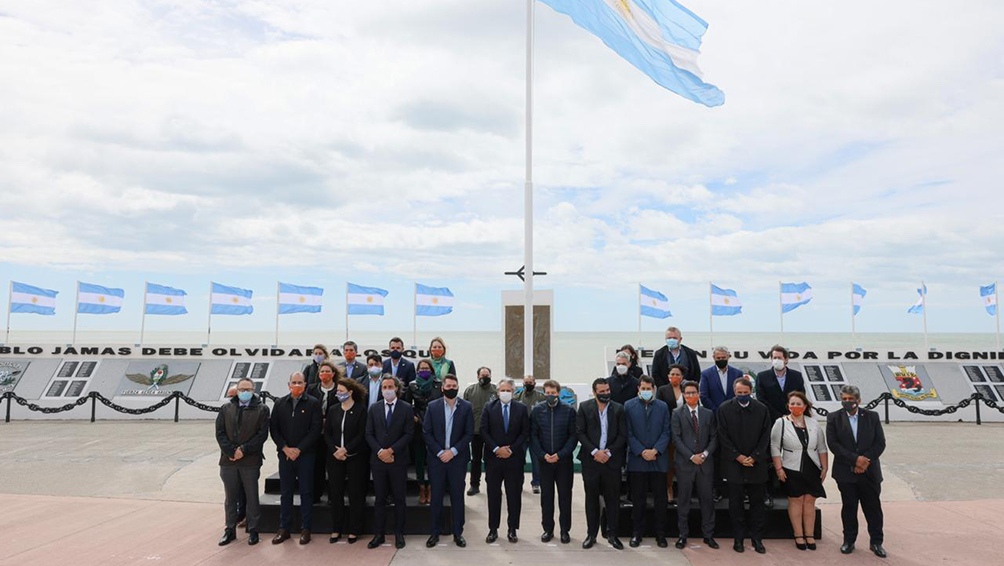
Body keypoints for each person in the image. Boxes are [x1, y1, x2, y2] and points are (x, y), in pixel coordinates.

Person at [826, 385, 887, 558]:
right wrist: (855, 460)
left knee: (873, 508)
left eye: (850, 399)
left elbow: (880, 443)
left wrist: (865, 461)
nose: (847, 402)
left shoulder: (872, 417)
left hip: (869, 472)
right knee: (849, 508)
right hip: (846, 472)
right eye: (844, 399)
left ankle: (876, 542)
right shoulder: (834, 418)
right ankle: (849, 541)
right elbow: (833, 444)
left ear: (858, 400)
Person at [716, 377, 771, 554]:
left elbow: (766, 436)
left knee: (757, 504)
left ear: (751, 392)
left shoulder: (761, 409)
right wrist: (738, 457)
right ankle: (738, 538)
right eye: (739, 393)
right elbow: (722, 436)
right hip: (734, 464)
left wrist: (755, 457)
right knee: (735, 504)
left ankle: (757, 538)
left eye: (746, 393)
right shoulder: (724, 409)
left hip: (757, 464)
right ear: (734, 392)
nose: (742, 396)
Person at [269, 372, 322, 545]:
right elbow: (274, 429)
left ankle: (306, 529)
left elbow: (315, 430)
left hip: (305, 455)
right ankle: (284, 528)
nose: (297, 385)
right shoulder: (279, 403)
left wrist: (299, 449)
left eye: (300, 382)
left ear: (305, 385)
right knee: (286, 493)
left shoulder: (313, 404)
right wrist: (285, 448)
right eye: (294, 382)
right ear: (288, 384)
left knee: (306, 492)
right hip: (285, 456)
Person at [216, 377, 270, 546]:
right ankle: (229, 529)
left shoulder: (262, 409)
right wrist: (231, 451)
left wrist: (243, 450)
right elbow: (220, 433)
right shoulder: (226, 408)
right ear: (237, 391)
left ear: (253, 390)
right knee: (230, 497)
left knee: (251, 496)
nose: (244, 393)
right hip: (228, 460)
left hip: (250, 461)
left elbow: (262, 435)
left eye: (248, 389)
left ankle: (254, 530)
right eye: (242, 389)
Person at [770, 391, 828, 551]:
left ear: (805, 406)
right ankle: (798, 534)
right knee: (796, 500)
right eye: (792, 403)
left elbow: (822, 446)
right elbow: (774, 446)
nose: (795, 406)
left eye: (798, 404)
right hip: (791, 467)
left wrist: (825, 467)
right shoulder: (781, 423)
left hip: (812, 467)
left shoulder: (813, 423)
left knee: (809, 501)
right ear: (788, 406)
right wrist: (779, 467)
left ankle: (809, 534)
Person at [423, 373, 475, 548]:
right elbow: (427, 433)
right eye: (448, 386)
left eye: (454, 386)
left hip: (457, 459)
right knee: (436, 497)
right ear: (442, 387)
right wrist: (440, 452)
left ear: (458, 387)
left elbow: (469, 434)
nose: (451, 389)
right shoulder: (433, 406)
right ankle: (434, 532)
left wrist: (452, 451)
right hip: (437, 459)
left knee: (457, 497)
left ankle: (458, 532)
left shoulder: (466, 407)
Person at [365, 375, 415, 549]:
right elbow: (369, 433)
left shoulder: (407, 408)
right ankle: (379, 534)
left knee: (399, 498)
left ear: (396, 388)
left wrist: (391, 451)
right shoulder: (374, 408)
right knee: (379, 499)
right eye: (384, 387)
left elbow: (409, 434)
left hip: (398, 460)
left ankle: (399, 533)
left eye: (390, 386)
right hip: (378, 461)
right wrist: (380, 452)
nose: (387, 389)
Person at [576, 378, 626, 550]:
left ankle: (612, 534)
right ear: (594, 391)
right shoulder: (584, 407)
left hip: (611, 462)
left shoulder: (619, 409)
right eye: (602, 391)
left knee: (612, 500)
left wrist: (608, 452)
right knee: (591, 499)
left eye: (607, 390)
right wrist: (595, 452)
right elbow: (580, 432)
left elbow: (622, 435)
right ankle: (591, 534)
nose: (605, 393)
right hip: (591, 461)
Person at [481, 377, 530, 544]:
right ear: (497, 392)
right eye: (502, 390)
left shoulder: (521, 408)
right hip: (493, 459)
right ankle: (493, 529)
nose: (505, 393)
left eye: (508, 390)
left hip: (514, 459)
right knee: (493, 495)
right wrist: (497, 449)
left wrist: (511, 449)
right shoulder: (489, 408)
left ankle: (512, 529)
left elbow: (525, 433)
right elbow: (484, 431)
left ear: (514, 392)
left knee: (514, 495)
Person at [670, 380, 719, 550]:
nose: (691, 395)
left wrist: (704, 454)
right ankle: (682, 535)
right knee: (683, 501)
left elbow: (714, 437)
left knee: (707, 501)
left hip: (705, 464)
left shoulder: (708, 414)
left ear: (698, 394)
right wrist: (691, 456)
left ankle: (708, 535)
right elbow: (676, 438)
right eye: (687, 393)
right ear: (683, 394)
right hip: (685, 464)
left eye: (694, 392)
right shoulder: (677, 413)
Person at [624, 375, 670, 548]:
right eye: (642, 388)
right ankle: (637, 532)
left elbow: (666, 431)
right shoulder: (629, 406)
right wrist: (641, 451)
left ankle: (660, 534)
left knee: (660, 499)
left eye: (648, 388)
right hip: (638, 460)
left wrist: (656, 450)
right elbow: (628, 433)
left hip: (659, 459)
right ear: (638, 389)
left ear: (654, 389)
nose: (645, 391)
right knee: (638, 499)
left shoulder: (663, 406)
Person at [529, 379, 577, 544]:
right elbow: (533, 436)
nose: (550, 396)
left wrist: (560, 454)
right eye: (547, 393)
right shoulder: (537, 411)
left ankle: (565, 530)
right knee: (546, 498)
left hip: (563, 462)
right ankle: (548, 529)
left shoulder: (569, 411)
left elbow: (573, 436)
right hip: (545, 462)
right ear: (544, 393)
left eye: (553, 393)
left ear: (558, 393)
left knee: (565, 497)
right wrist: (543, 455)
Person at [323, 378, 369, 545]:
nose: (339, 394)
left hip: (355, 457)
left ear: (350, 392)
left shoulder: (360, 410)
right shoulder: (333, 410)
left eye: (342, 391)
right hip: (335, 457)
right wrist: (335, 450)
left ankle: (354, 530)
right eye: (338, 391)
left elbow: (361, 434)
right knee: (336, 494)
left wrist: (346, 449)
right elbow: (327, 432)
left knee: (356, 494)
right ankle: (337, 528)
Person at [404, 358, 443, 505]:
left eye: (427, 369)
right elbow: (407, 405)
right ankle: (422, 488)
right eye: (421, 369)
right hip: (418, 426)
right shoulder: (412, 385)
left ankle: (431, 488)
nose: (424, 371)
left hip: (435, 426)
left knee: (433, 459)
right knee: (420, 459)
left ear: (431, 370)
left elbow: (442, 403)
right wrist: (413, 417)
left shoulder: (438, 385)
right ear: (417, 371)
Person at [307, 361, 343, 504]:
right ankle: (316, 494)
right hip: (316, 434)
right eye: (322, 372)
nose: (324, 374)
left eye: (327, 371)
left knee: (333, 467)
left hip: (333, 434)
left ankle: (332, 496)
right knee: (317, 466)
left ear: (333, 374)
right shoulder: (312, 389)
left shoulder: (339, 390)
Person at [463, 366, 496, 496]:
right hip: (475, 431)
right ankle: (474, 484)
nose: (484, 377)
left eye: (487, 375)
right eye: (482, 375)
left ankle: (493, 484)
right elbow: (464, 412)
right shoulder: (470, 391)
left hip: (492, 432)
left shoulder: (495, 390)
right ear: (477, 376)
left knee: (491, 460)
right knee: (475, 459)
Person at [756, 345, 806, 423]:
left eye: (779, 358)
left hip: (793, 419)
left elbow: (801, 396)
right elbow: (761, 399)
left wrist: (790, 414)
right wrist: (778, 416)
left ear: (786, 360)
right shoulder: (762, 377)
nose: (776, 360)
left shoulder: (796, 376)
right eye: (774, 358)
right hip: (770, 419)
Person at [657, 364, 685, 502]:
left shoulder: (686, 389)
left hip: (685, 430)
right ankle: (669, 489)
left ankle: (685, 491)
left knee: (683, 461)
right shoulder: (662, 390)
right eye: (672, 374)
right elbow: (659, 410)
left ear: (682, 377)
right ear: (668, 376)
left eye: (677, 374)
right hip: (668, 429)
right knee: (669, 462)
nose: (675, 377)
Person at [514, 374, 545, 494]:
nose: (528, 384)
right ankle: (518, 483)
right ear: (522, 383)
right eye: (526, 382)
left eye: (530, 382)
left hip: (535, 434)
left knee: (536, 461)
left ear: (535, 384)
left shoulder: (541, 397)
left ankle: (536, 483)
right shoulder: (517, 397)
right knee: (519, 460)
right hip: (521, 434)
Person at [699, 346, 742, 412]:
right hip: (714, 414)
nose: (721, 359)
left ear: (728, 357)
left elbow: (740, 393)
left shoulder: (737, 373)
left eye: (723, 357)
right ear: (714, 358)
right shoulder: (706, 374)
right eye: (718, 358)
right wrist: (716, 411)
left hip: (734, 412)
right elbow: (704, 396)